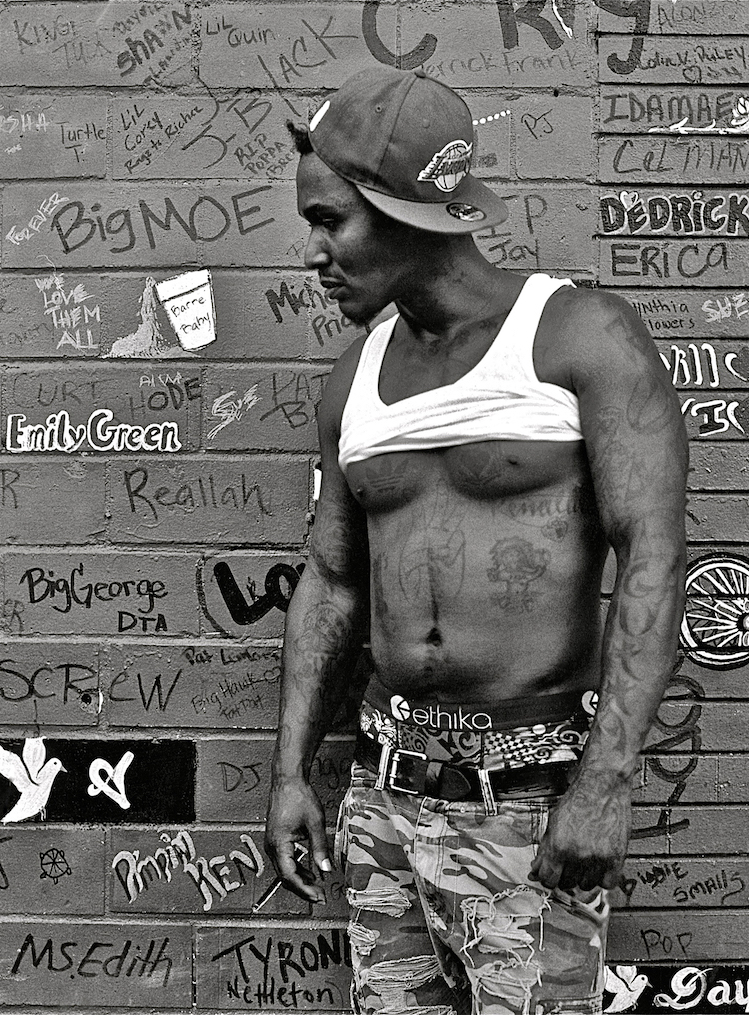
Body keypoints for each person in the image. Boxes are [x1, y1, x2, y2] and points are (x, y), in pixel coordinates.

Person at [265, 64, 688, 1015]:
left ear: (405, 210)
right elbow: (332, 582)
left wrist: (606, 781)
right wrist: (292, 770)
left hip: (528, 804)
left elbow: (652, 559)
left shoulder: (579, 339)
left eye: (330, 221)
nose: (315, 252)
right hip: (380, 800)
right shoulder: (353, 381)